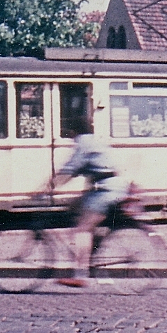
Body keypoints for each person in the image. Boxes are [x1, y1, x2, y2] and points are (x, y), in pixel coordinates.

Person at [46, 110, 130, 288]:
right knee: (75, 207)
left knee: (81, 229)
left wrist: (47, 188)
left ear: (73, 131)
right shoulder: (95, 140)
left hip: (105, 190)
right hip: (112, 187)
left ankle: (80, 275)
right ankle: (94, 242)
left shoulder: (83, 143)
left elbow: (71, 168)